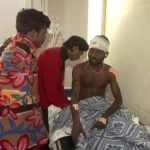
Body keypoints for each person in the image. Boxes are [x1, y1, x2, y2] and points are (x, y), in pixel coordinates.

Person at [49, 35, 150, 149]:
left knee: (124, 127)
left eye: (98, 52)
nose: (93, 55)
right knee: (81, 131)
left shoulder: (112, 72)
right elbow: (75, 95)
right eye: (91, 51)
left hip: (102, 107)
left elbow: (118, 99)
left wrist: (105, 116)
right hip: (82, 107)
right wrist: (76, 121)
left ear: (106, 54)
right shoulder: (79, 68)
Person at [0, 8, 50, 150]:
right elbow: (22, 96)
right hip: (15, 121)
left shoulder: (11, 43)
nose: (45, 37)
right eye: (44, 32)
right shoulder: (19, 53)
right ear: (33, 33)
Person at [37, 35, 89, 149]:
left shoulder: (59, 56)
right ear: (74, 48)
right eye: (80, 53)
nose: (79, 57)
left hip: (44, 100)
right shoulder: (53, 56)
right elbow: (52, 93)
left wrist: (67, 104)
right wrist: (66, 106)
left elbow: (58, 87)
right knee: (43, 137)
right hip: (40, 103)